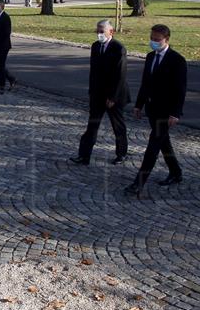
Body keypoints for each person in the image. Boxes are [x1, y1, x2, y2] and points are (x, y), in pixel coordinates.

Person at [125, 24, 187, 196]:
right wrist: (139, 104)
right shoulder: (151, 56)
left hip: (166, 112)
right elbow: (146, 83)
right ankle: (176, 172)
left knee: (153, 146)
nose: (153, 42)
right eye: (152, 39)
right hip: (152, 108)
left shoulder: (177, 60)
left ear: (166, 40)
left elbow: (180, 89)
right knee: (163, 142)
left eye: (157, 40)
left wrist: (176, 113)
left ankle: (139, 183)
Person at [70, 20, 130, 166]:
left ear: (111, 32)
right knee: (92, 125)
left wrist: (113, 97)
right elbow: (94, 72)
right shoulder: (96, 46)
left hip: (114, 95)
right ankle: (84, 156)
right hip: (98, 94)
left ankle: (121, 154)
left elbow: (120, 75)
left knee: (118, 126)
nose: (99, 34)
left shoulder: (118, 48)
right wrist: (92, 92)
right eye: (97, 31)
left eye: (102, 31)